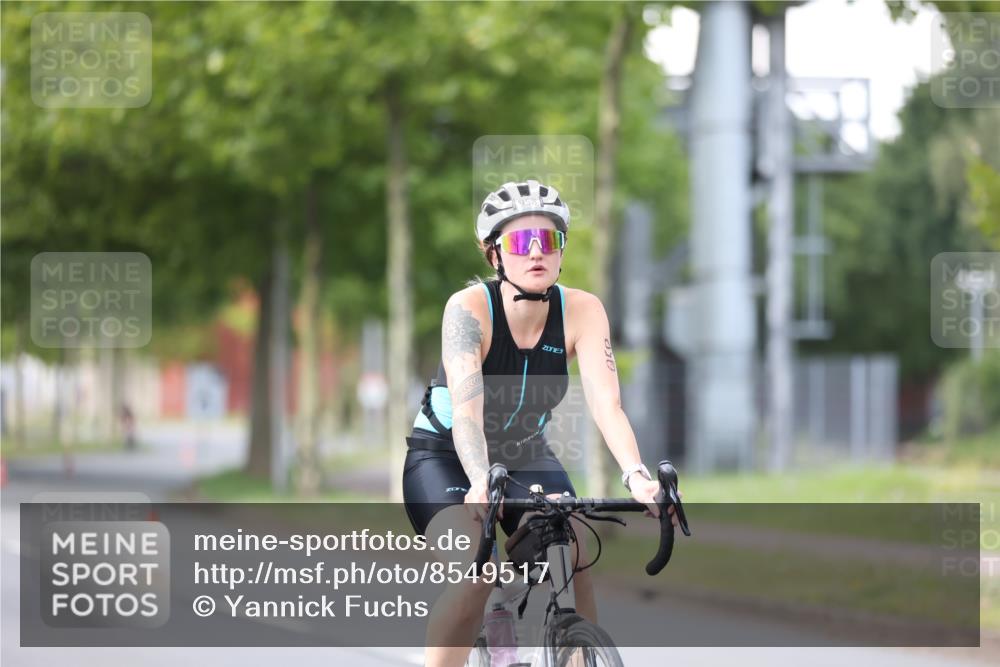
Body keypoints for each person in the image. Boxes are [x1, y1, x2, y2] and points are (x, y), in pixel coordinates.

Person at [403, 179, 669, 667]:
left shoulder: (584, 310)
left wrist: (638, 477)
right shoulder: (467, 310)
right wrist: (481, 479)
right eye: (521, 242)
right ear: (495, 256)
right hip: (444, 458)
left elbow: (608, 404)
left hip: (525, 453)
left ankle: (577, 652)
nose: (536, 253)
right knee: (476, 576)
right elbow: (466, 411)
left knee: (572, 556)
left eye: (549, 240)